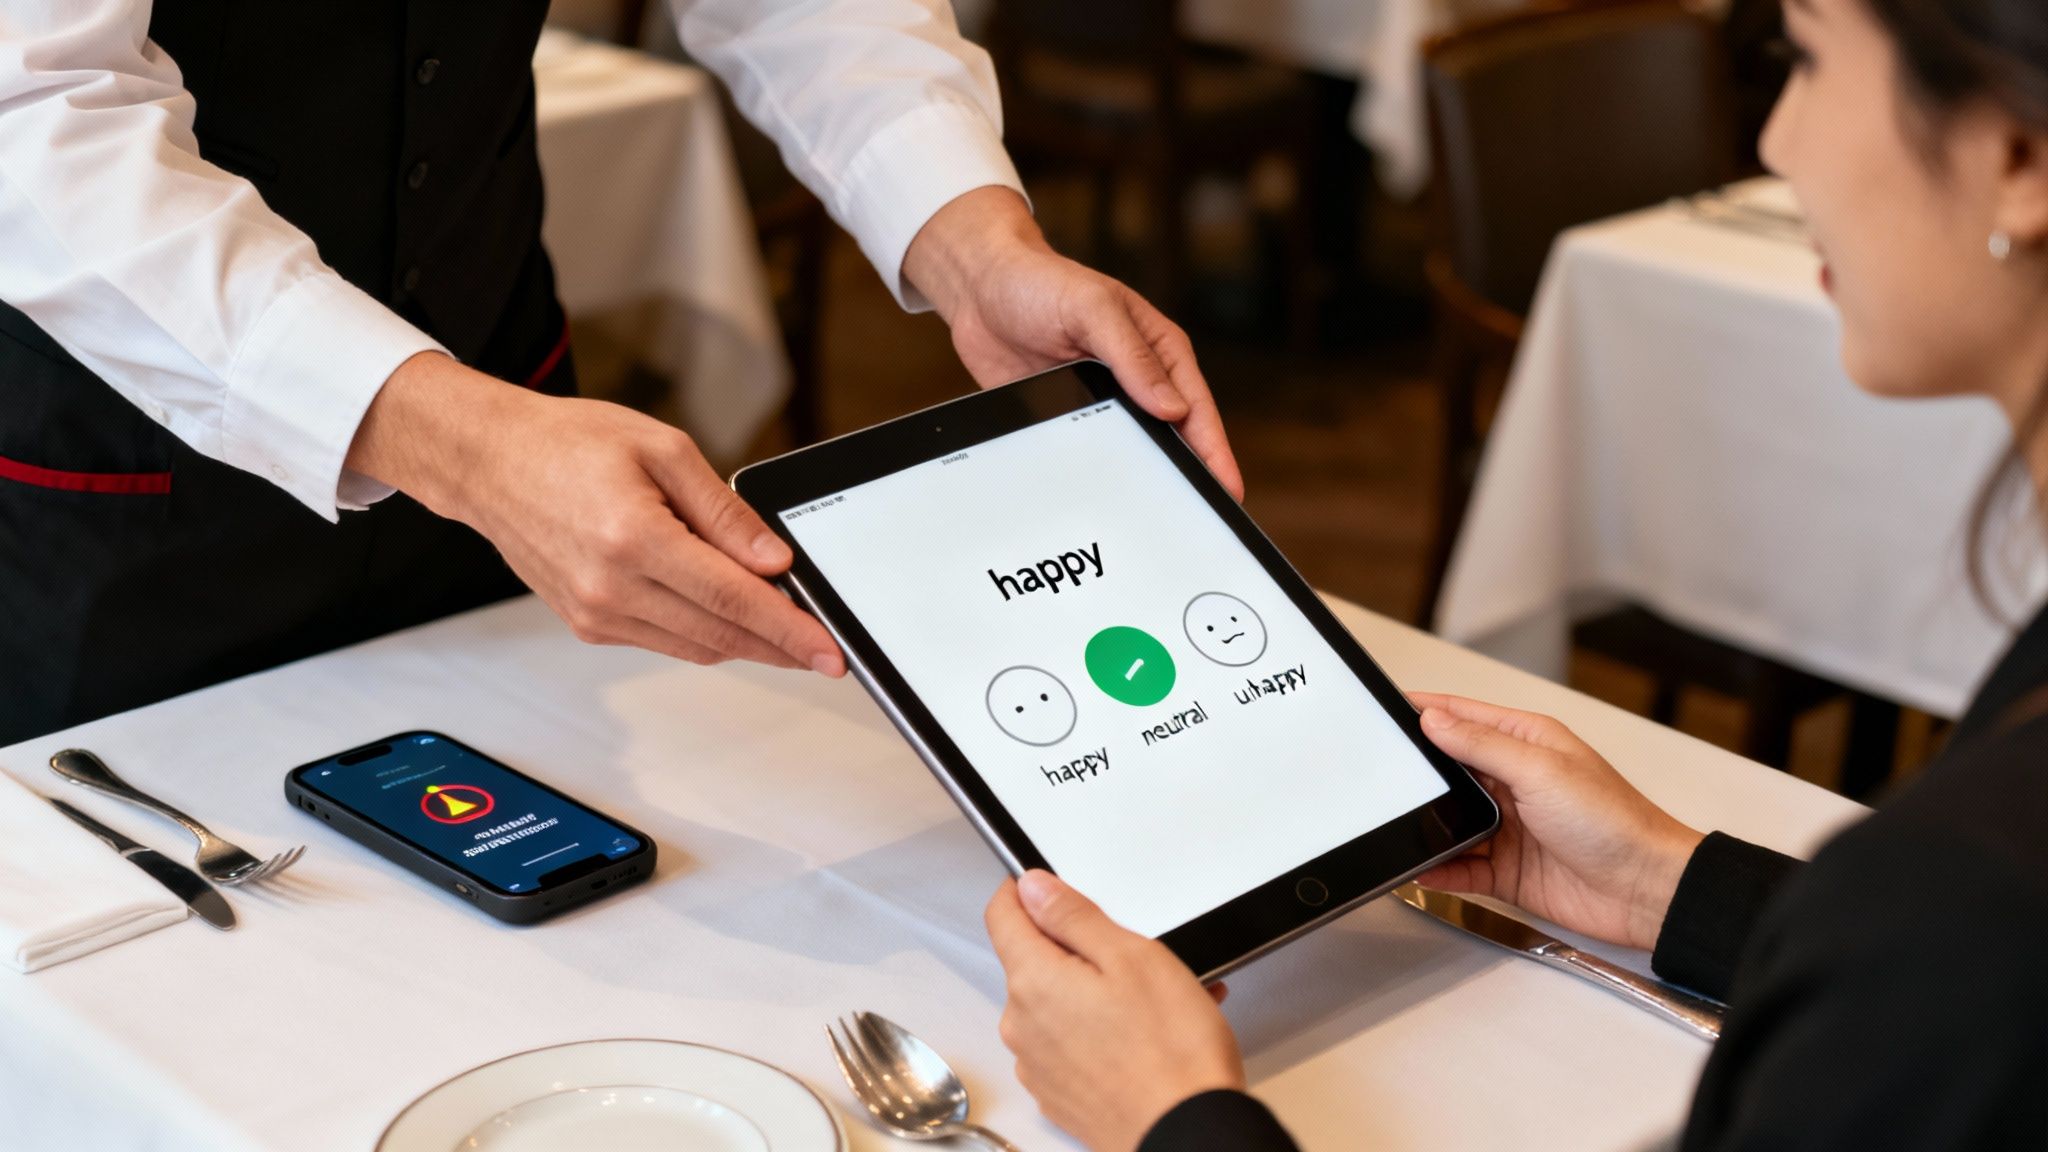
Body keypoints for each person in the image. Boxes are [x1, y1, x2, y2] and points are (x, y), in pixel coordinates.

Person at [983, 0, 2048, 1147]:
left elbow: (1964, 973)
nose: (1774, 140)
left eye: (1805, 59)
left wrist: (1169, 1117)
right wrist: (1669, 889)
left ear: (2017, 157)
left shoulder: (1964, 901)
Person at [0, 0, 1239, 745]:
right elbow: (36, 108)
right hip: (121, 494)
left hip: (500, 410)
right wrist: (462, 441)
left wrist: (973, 243)